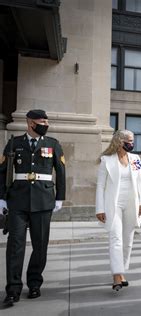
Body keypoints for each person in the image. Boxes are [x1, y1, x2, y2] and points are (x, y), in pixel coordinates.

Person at [0, 110, 66, 307]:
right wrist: (1, 198)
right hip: (17, 200)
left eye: (46, 120)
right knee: (15, 246)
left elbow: (61, 171)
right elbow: (2, 172)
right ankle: (13, 289)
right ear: (30, 123)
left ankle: (35, 283)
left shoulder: (53, 144)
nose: (45, 123)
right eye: (42, 120)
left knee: (40, 245)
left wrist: (60, 197)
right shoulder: (14, 143)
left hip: (44, 199)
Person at [95, 130, 141, 291]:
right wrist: (100, 208)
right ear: (119, 141)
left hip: (131, 203)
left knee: (128, 241)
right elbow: (101, 185)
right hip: (113, 204)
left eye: (133, 141)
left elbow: (139, 182)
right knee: (116, 238)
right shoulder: (106, 160)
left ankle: (122, 270)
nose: (132, 144)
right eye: (129, 141)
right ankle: (117, 275)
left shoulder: (135, 159)